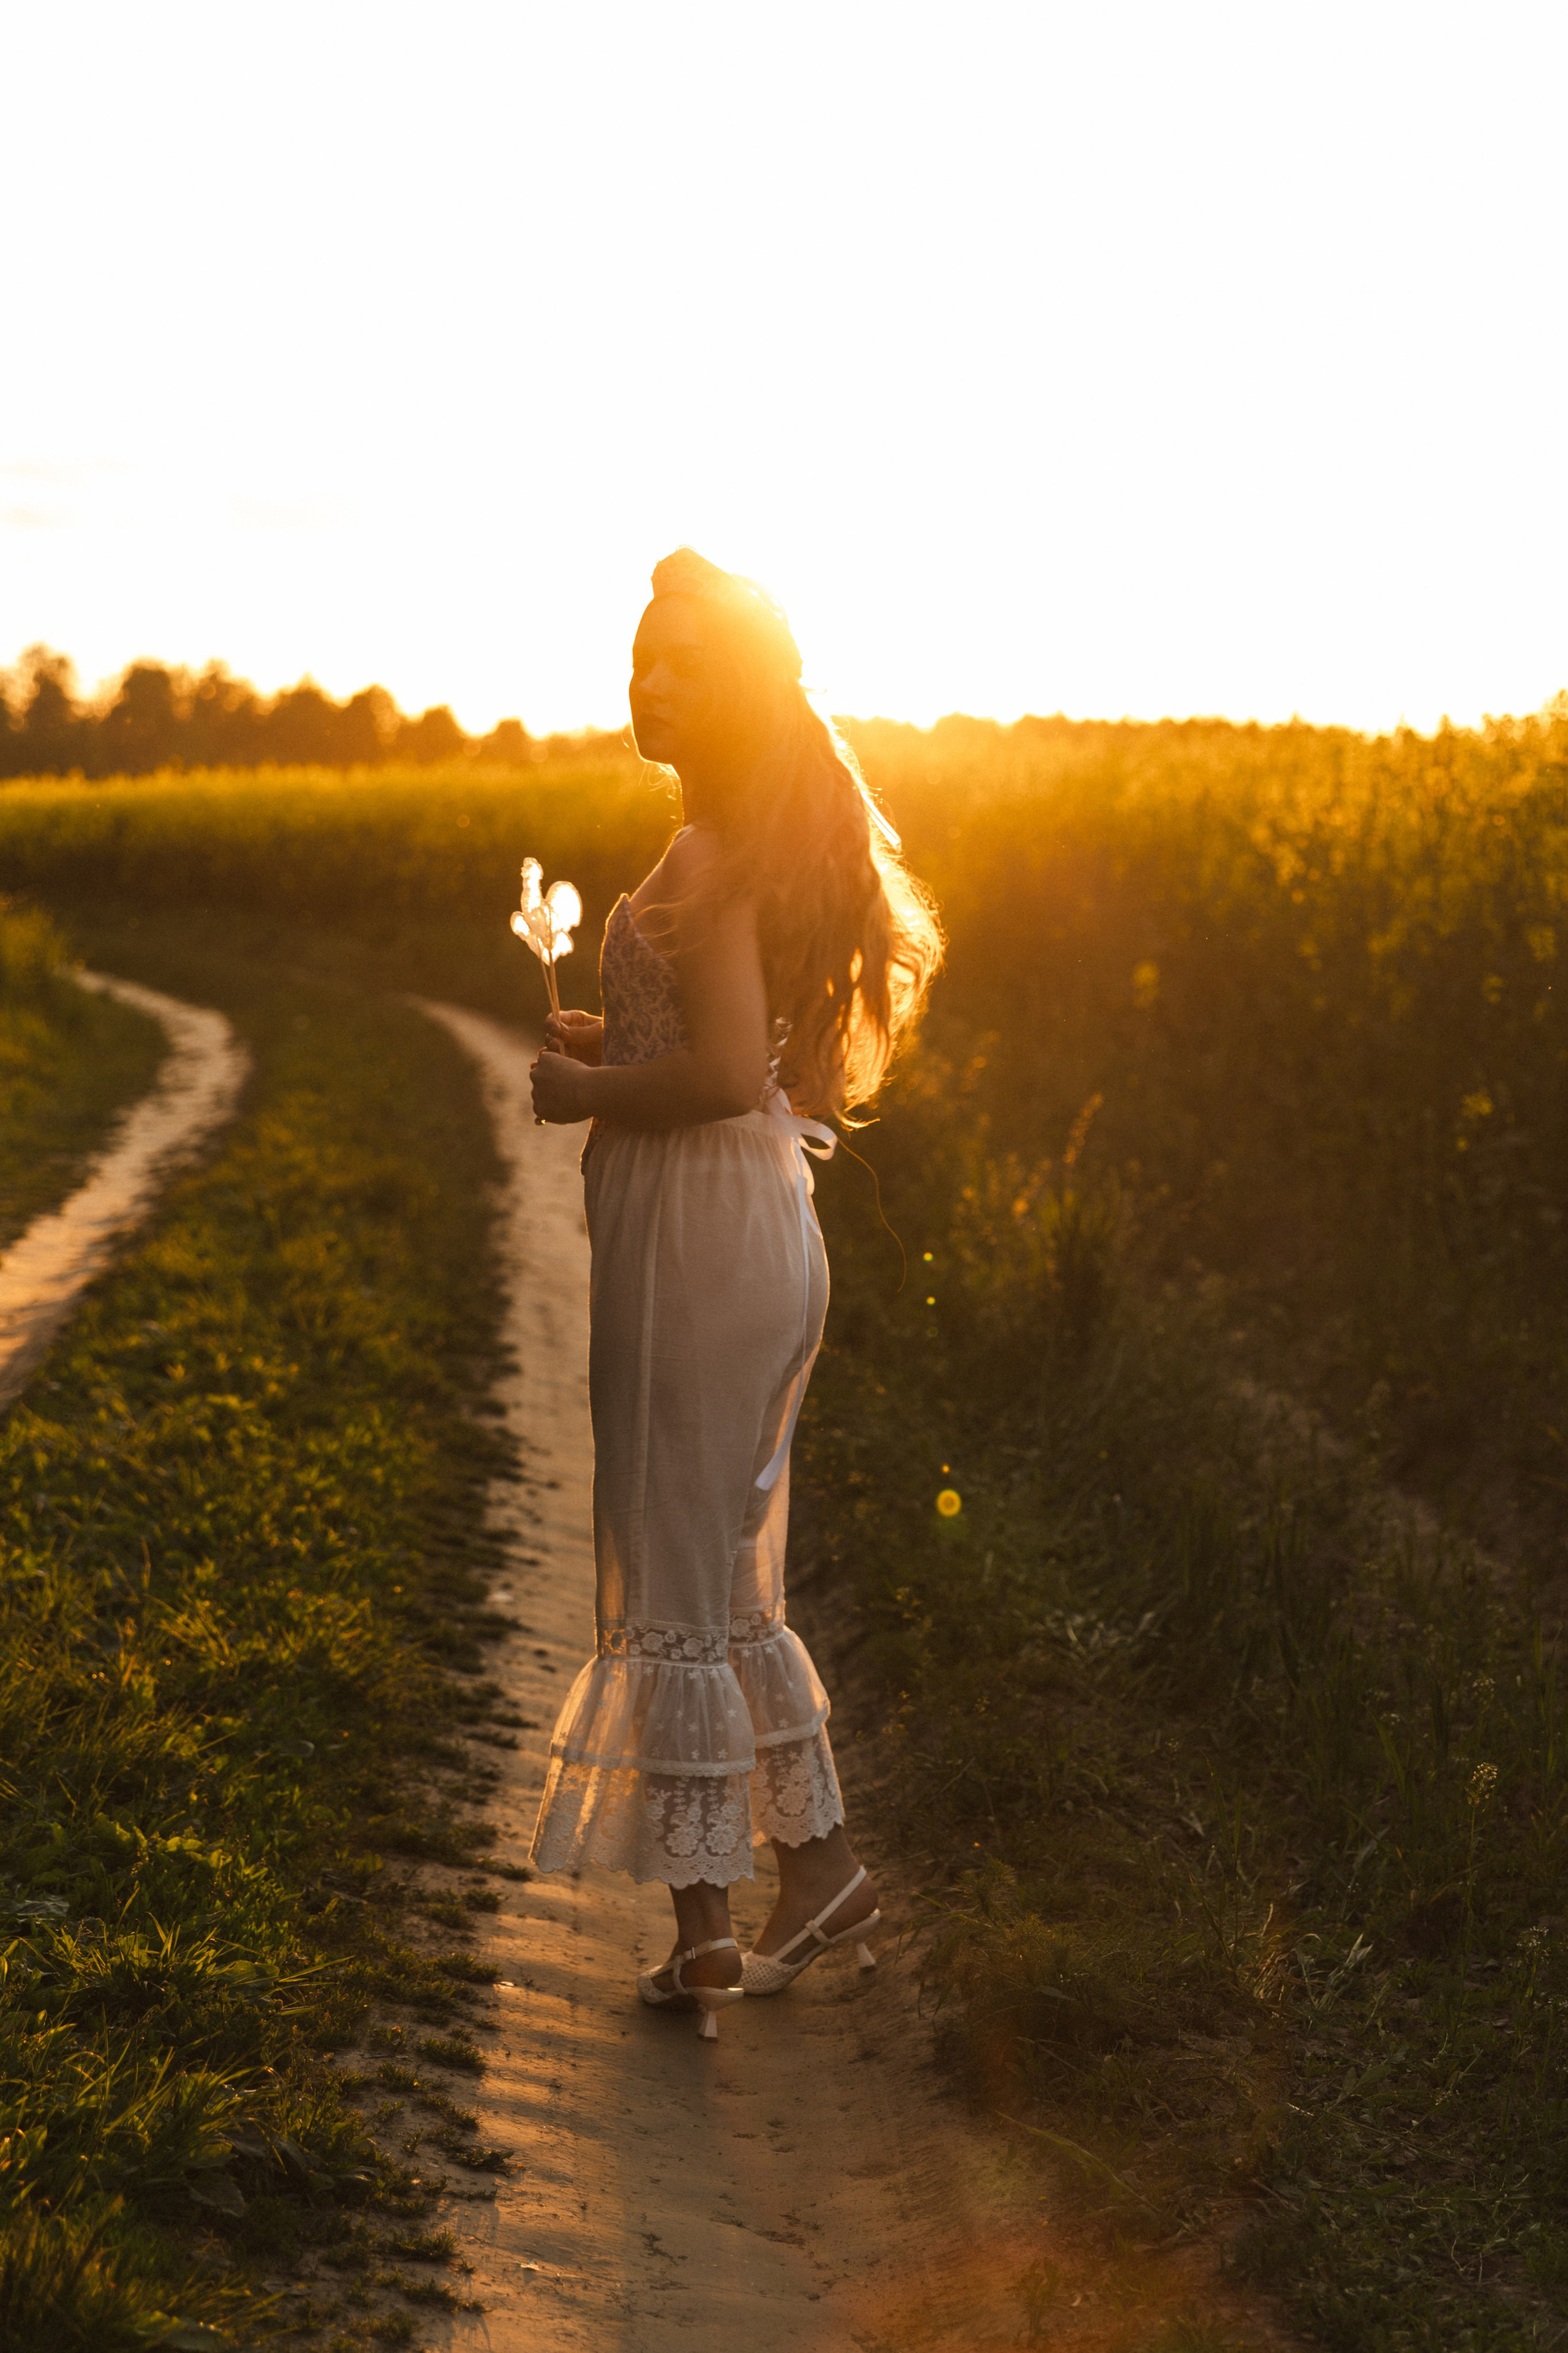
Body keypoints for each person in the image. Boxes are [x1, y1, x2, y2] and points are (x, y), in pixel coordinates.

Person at [527, 548, 941, 2038]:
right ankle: (796, 1883)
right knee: (709, 1573)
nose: (650, 682)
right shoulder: (716, 843)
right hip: (727, 1226)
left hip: (704, 1236)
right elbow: (711, 1042)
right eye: (641, 657)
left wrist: (587, 1090)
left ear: (741, 694)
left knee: (676, 1571)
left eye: (683, 665)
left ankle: (720, 1919)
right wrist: (613, 1035)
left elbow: (714, 1076)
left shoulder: (710, 860)